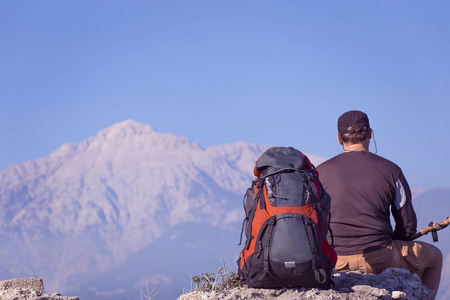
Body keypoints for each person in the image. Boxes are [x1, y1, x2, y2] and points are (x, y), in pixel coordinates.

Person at [316, 110, 442, 298]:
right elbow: (408, 228)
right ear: (369, 134)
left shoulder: (319, 173)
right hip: (380, 257)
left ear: (339, 138)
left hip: (335, 259)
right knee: (435, 257)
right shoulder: (391, 170)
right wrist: (393, 240)